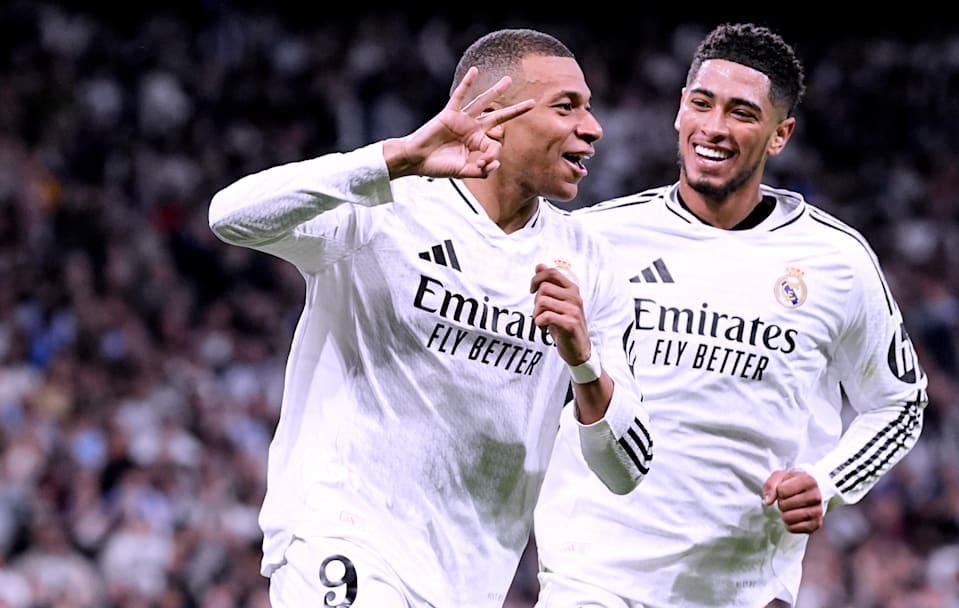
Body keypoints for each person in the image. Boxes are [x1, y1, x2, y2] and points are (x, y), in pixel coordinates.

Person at [207, 28, 653, 608]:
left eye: (588, 108)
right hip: (346, 538)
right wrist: (394, 159)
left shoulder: (590, 263)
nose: (592, 128)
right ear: (493, 113)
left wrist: (584, 361)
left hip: (470, 578)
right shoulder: (387, 208)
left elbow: (625, 469)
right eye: (566, 107)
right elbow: (230, 217)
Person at [533, 22, 929, 608]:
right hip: (593, 577)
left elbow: (901, 402)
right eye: (702, 103)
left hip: (740, 589)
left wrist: (828, 482)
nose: (714, 128)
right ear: (679, 110)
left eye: (742, 113)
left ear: (780, 135)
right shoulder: (595, 238)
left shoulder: (836, 260)